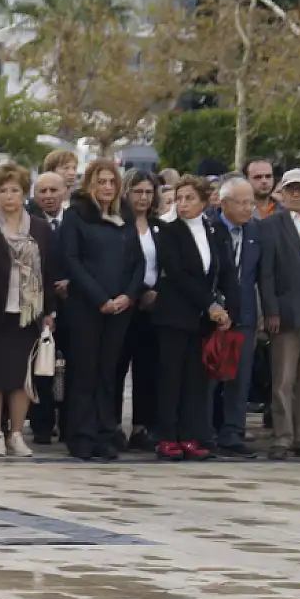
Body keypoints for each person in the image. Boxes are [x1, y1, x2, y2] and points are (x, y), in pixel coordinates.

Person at [0, 162, 56, 458]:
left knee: (22, 377)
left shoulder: (41, 228)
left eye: (14, 190)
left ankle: (16, 434)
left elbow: (51, 272)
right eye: (3, 190)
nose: (9, 196)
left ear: (23, 193)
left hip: (29, 312)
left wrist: (49, 313)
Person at [150, 176, 236, 461]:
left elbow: (224, 272)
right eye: (179, 198)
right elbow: (177, 274)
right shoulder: (169, 230)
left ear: (203, 201)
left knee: (195, 380)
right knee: (170, 377)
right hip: (174, 314)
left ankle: (189, 435)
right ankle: (166, 436)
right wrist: (209, 304)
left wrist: (228, 309)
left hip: (202, 319)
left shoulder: (214, 230)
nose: (183, 204)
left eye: (189, 198)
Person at [58, 160, 139, 461]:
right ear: (90, 184)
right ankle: (81, 435)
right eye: (101, 181)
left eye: (111, 182)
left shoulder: (125, 216)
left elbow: (138, 261)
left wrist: (128, 296)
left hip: (120, 308)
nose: (107, 187)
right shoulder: (76, 215)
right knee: (84, 372)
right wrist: (100, 298)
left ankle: (105, 433)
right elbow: (72, 260)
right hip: (86, 308)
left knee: (108, 373)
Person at [257, 168, 300, 459]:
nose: (296, 193)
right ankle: (283, 436)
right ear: (282, 192)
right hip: (285, 311)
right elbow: (265, 273)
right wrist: (271, 309)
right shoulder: (271, 225)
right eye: (290, 188)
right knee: (283, 378)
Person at [214, 177, 264, 458]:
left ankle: (233, 431)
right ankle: (205, 428)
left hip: (244, 315)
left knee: (239, 377)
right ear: (224, 204)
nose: (248, 208)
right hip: (212, 313)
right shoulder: (210, 227)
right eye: (242, 203)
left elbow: (262, 276)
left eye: (251, 202)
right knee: (210, 375)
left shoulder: (256, 232)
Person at [116, 169, 164, 451]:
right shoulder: (119, 225)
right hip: (123, 302)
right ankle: (112, 424)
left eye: (148, 192)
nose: (144, 197)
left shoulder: (160, 226)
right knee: (118, 366)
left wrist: (156, 291)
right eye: (138, 191)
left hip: (152, 305)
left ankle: (141, 426)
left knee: (147, 368)